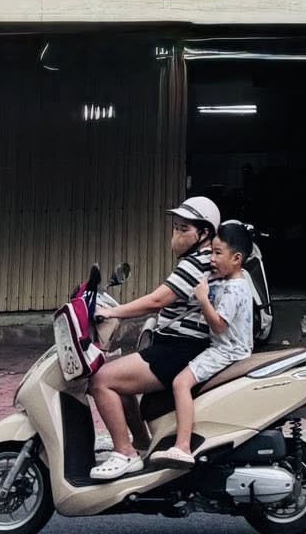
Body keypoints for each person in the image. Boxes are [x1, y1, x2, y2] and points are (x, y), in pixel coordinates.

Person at [88, 197, 220, 480]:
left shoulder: (197, 263)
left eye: (184, 229)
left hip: (180, 349)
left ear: (204, 233)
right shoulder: (202, 260)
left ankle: (125, 453)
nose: (176, 235)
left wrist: (112, 312)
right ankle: (141, 444)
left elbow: (157, 300)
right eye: (175, 228)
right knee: (119, 382)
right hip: (175, 345)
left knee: (101, 380)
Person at [154, 222, 256, 467]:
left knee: (181, 383)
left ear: (237, 258)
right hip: (229, 347)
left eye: (218, 253)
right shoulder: (234, 280)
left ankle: (182, 446)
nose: (212, 259)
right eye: (211, 252)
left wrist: (202, 299)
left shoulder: (234, 288)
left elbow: (219, 325)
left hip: (226, 351)